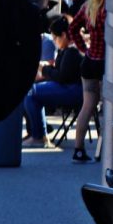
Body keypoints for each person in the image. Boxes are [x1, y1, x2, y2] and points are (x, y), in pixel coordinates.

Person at [22, 16, 83, 147]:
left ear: (64, 35)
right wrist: (47, 68)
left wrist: (44, 69)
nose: (54, 41)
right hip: (71, 87)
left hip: (73, 90)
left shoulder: (72, 51)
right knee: (32, 91)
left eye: (55, 38)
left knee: (31, 92)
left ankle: (39, 136)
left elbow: (62, 77)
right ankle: (37, 133)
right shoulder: (69, 49)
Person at [68, 0, 107, 163]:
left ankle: (79, 149)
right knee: (112, 107)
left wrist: (84, 49)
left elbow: (72, 28)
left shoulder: (88, 6)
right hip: (108, 65)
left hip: (90, 62)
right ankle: (107, 151)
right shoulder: (112, 9)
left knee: (87, 106)